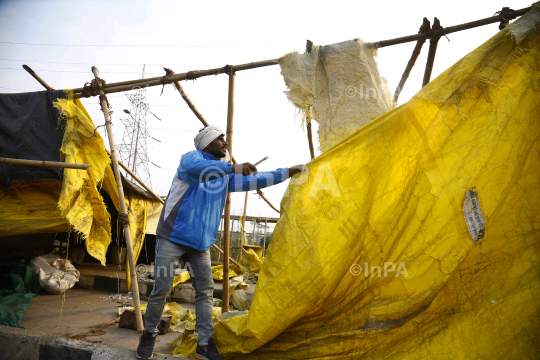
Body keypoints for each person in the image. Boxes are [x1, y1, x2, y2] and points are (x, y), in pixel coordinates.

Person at [136, 125, 303, 360]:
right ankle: (149, 334)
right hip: (172, 237)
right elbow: (198, 168)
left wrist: (287, 171)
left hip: (200, 244)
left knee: (204, 292)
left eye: (224, 139)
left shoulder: (224, 176)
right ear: (206, 144)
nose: (225, 142)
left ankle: (203, 345)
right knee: (162, 289)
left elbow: (258, 179)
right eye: (219, 139)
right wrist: (232, 167)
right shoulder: (191, 161)